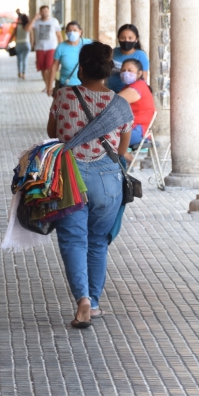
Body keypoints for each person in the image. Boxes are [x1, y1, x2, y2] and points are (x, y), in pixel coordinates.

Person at [46, 42, 133, 328]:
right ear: (108, 71)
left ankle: (81, 298)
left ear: (81, 69)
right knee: (97, 242)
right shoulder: (120, 105)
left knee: (73, 240)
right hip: (107, 180)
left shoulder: (63, 95)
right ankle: (93, 304)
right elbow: (122, 151)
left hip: (69, 176)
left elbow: (52, 132)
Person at [117, 58, 156, 161]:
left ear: (139, 73)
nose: (126, 73)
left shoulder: (138, 87)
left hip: (137, 131)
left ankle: (128, 158)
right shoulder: (128, 87)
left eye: (130, 70)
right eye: (123, 70)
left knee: (102, 137)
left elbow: (113, 103)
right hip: (131, 129)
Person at [50, 21, 92, 96]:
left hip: (86, 84)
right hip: (67, 84)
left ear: (80, 32)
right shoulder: (61, 47)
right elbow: (54, 66)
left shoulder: (88, 44)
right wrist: (50, 85)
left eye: (75, 30)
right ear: (66, 32)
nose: (72, 33)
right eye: (69, 30)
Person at [106, 24, 149, 92]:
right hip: (110, 91)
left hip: (130, 93)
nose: (126, 40)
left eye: (130, 38)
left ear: (136, 39)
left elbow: (143, 79)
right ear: (118, 38)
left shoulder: (141, 55)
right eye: (123, 38)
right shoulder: (113, 52)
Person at [30, 5, 62, 96]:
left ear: (49, 11)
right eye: (42, 11)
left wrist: (62, 46)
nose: (44, 13)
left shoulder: (54, 21)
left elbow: (59, 35)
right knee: (43, 68)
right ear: (40, 12)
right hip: (39, 48)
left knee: (49, 67)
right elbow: (27, 29)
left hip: (51, 47)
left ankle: (50, 85)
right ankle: (47, 85)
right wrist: (34, 18)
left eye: (46, 11)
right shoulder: (36, 22)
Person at [14, 13, 32, 79]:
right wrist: (32, 43)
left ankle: (19, 72)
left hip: (18, 44)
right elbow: (31, 35)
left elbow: (14, 34)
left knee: (19, 59)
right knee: (25, 59)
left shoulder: (17, 26)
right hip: (26, 43)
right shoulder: (28, 26)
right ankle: (24, 73)